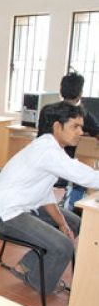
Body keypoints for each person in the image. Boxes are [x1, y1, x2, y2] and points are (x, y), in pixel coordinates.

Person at [0, 102, 99, 294]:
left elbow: (45, 192)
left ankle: (25, 266)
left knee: (74, 222)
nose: (81, 132)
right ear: (57, 127)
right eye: (75, 126)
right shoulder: (47, 151)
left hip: (26, 205)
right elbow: (82, 175)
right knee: (64, 246)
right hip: (6, 214)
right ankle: (37, 282)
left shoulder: (53, 148)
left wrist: (62, 223)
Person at [37, 72, 99, 211]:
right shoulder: (80, 114)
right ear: (80, 93)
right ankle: (73, 207)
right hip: (62, 172)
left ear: (61, 90)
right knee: (82, 179)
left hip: (42, 170)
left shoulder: (46, 110)